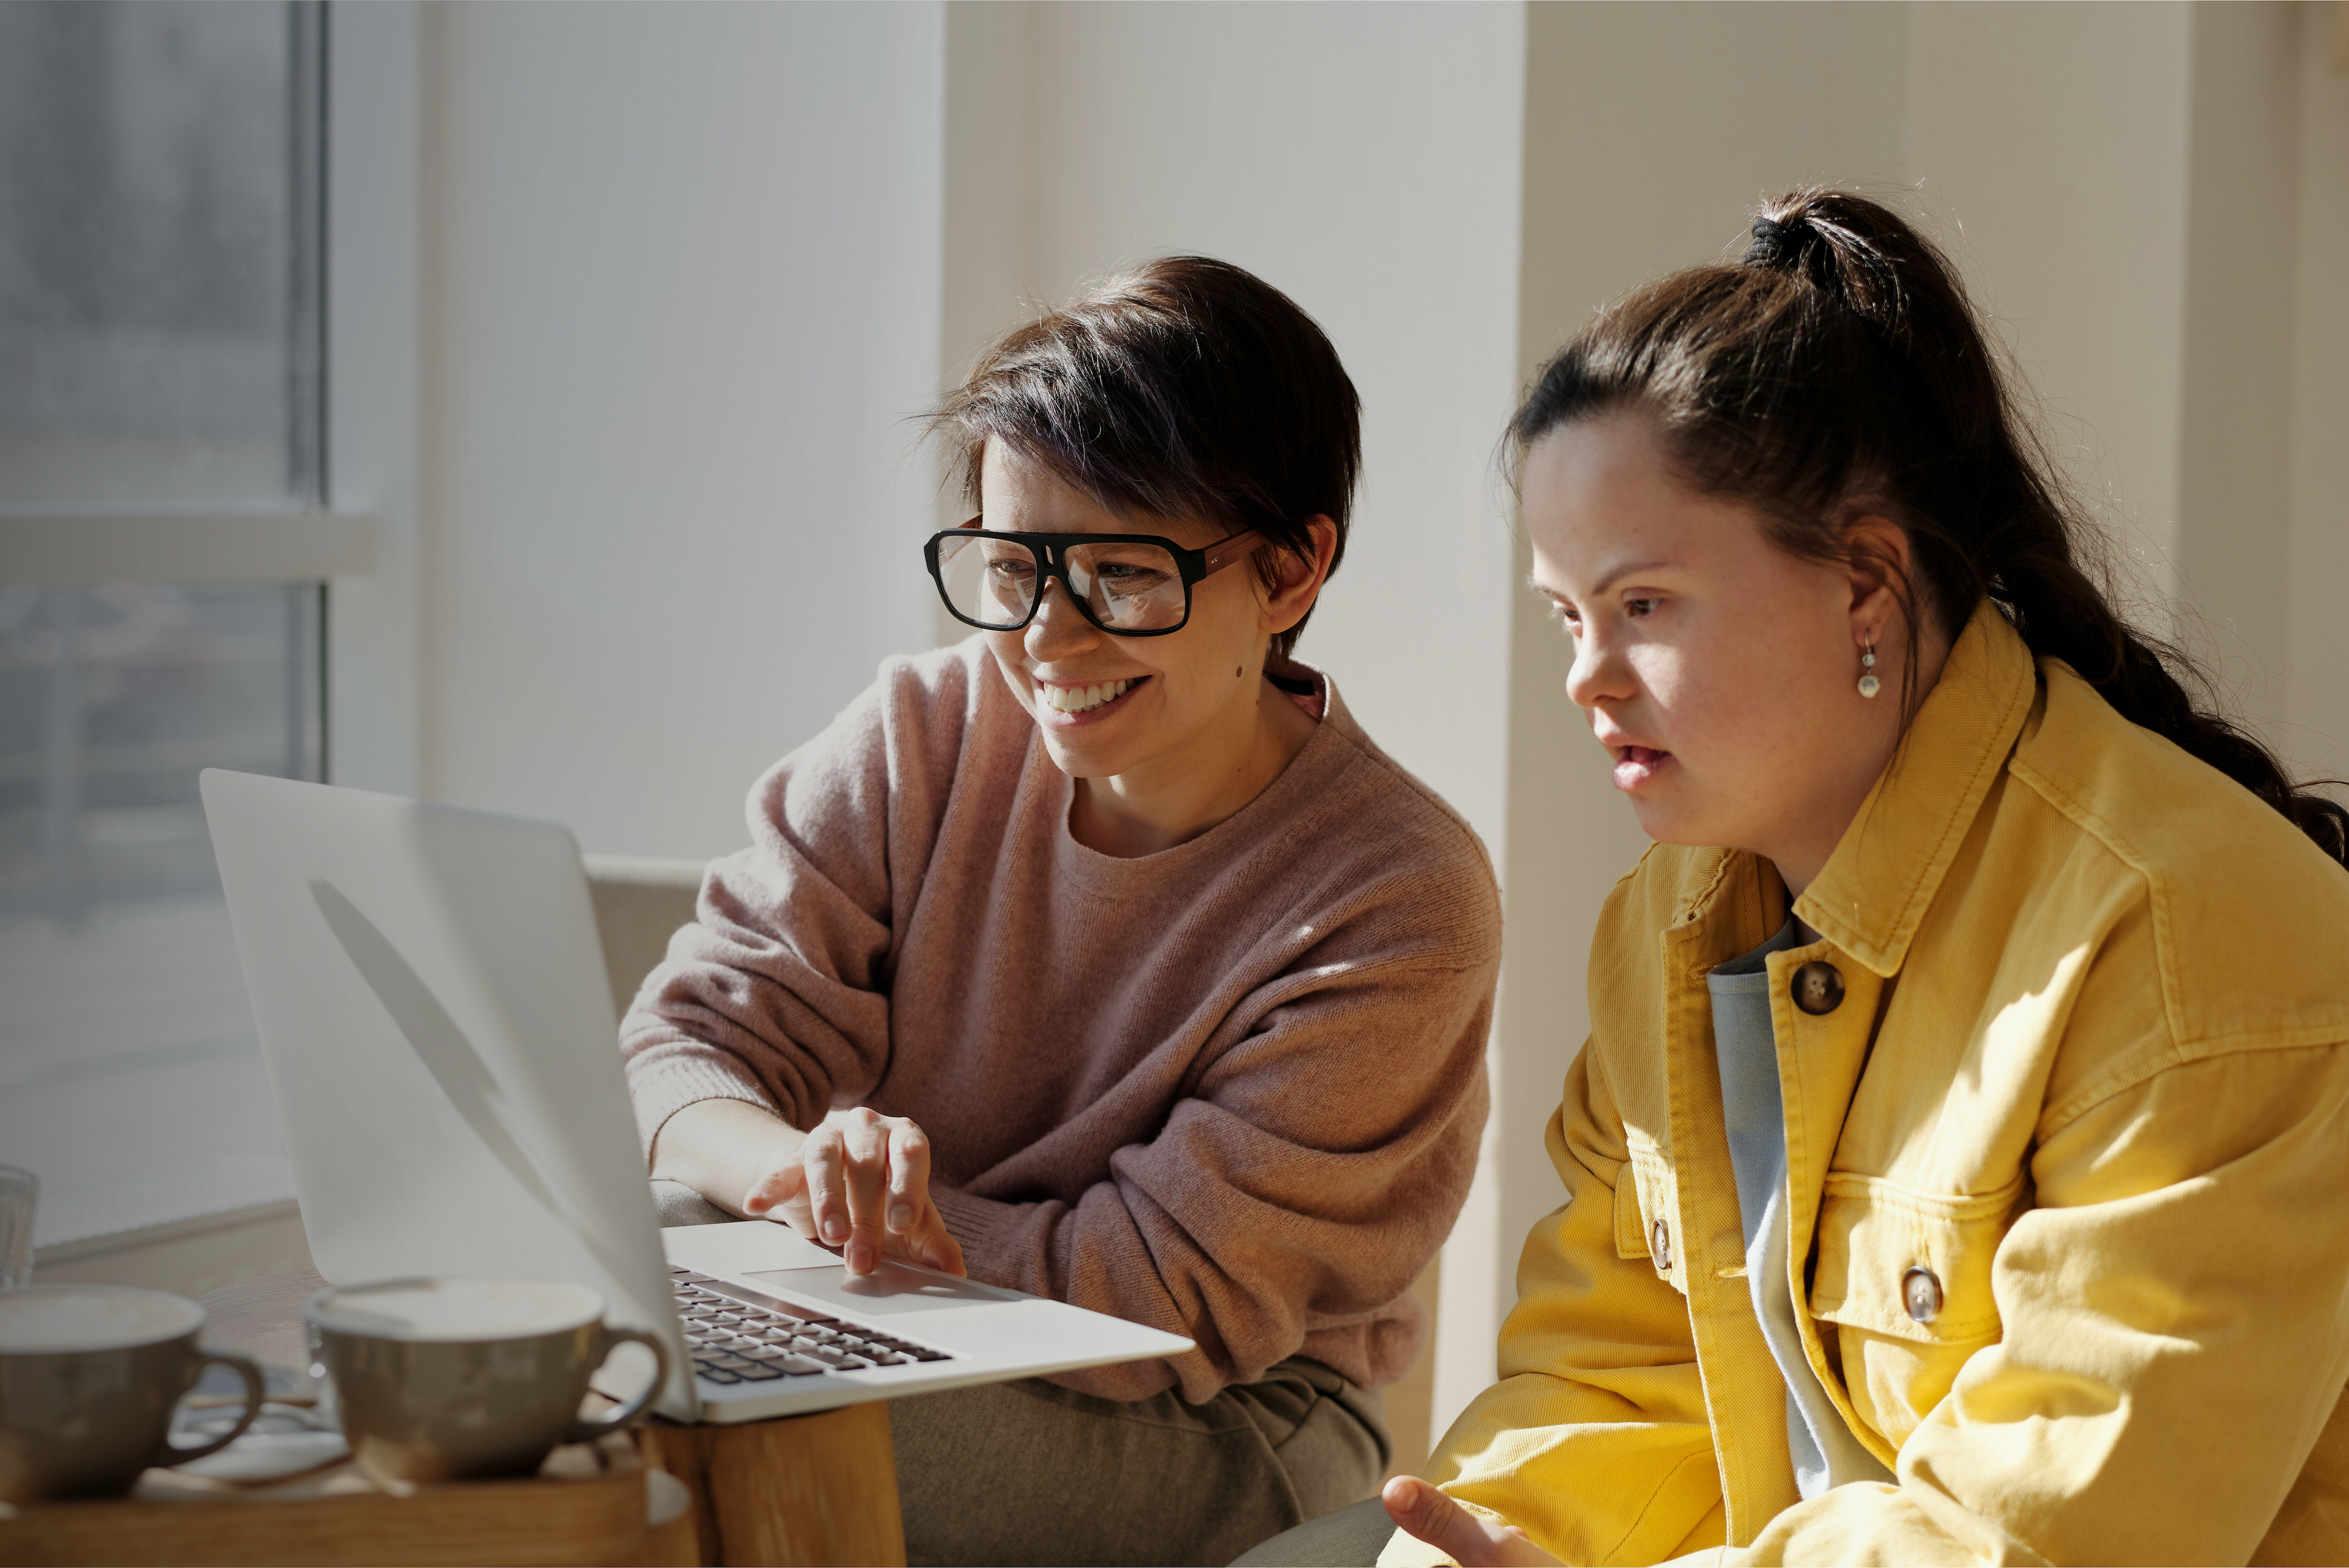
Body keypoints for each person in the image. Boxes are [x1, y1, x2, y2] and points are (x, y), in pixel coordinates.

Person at [1246, 188, 2349, 1567]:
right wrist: (1475, 1546)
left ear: (1864, 588)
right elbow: (1614, 1376)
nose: (1588, 677)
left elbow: (2057, 1532)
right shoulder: (1670, 917)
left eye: (1644, 606)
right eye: (1568, 616)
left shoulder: (2189, 935)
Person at [618, 256, 1503, 1568]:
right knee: (603, 1329)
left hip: (1218, 1416)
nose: (1048, 640)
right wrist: (800, 1183)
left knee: (718, 1420)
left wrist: (908, 1234)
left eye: (1124, 577)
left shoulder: (1394, 896)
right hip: (887, 1308)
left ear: (1292, 569)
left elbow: (1157, 1299)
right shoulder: (925, 732)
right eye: (1012, 567)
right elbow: (683, 1049)